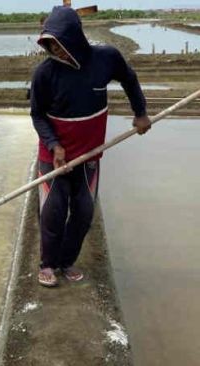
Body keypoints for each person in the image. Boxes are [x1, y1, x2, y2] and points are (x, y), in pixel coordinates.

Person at [30, 6, 152, 287]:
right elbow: (37, 114)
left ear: (74, 37)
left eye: (59, 44)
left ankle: (66, 261)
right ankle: (47, 264)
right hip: (55, 156)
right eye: (49, 45)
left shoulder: (106, 58)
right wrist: (53, 144)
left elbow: (129, 79)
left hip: (89, 156)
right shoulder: (45, 74)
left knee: (84, 212)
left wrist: (141, 112)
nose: (55, 51)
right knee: (54, 211)